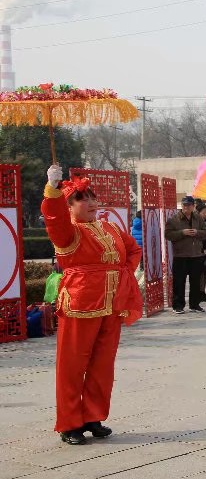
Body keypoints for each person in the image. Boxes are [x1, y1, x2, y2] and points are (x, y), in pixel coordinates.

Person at [42, 165, 143, 445]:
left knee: (102, 365)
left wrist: (123, 273)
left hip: (111, 304)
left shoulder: (109, 227)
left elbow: (133, 249)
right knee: (72, 366)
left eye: (92, 198)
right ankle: (69, 424)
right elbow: (53, 217)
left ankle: (93, 416)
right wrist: (53, 190)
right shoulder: (68, 232)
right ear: (69, 206)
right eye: (82, 199)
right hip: (80, 303)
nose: (91, 203)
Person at [164, 196, 206, 313]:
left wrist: (197, 232)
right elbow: (168, 235)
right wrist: (182, 233)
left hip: (196, 254)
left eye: (189, 205)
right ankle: (178, 306)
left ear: (193, 206)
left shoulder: (198, 218)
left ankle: (194, 304)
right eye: (184, 205)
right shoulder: (174, 219)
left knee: (195, 281)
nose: (186, 207)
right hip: (181, 255)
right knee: (179, 282)